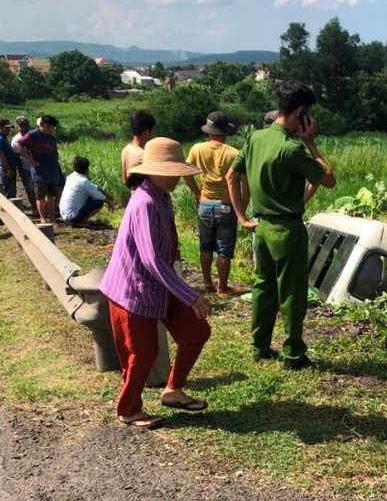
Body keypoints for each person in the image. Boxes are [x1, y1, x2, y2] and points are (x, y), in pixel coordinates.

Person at [99, 137, 212, 429]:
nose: (176, 179)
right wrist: (191, 295)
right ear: (151, 170)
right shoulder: (144, 202)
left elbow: (163, 255)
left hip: (160, 283)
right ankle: (129, 409)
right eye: (171, 172)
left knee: (196, 330)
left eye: (178, 173)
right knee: (143, 352)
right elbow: (150, 259)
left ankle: (173, 390)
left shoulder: (162, 195)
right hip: (132, 288)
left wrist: (183, 291)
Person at [227, 81, 336, 369]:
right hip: (287, 230)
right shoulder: (293, 148)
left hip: (261, 227)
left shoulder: (255, 139)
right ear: (300, 112)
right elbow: (328, 179)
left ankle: (260, 346)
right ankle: (293, 354)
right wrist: (311, 141)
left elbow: (231, 176)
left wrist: (240, 216)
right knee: (292, 292)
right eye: (308, 113)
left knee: (263, 287)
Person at [183, 111, 245, 296]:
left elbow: (187, 173)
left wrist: (197, 192)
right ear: (225, 132)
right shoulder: (234, 153)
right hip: (226, 206)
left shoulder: (197, 149)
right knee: (224, 250)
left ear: (209, 131)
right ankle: (222, 287)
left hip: (205, 203)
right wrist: (241, 208)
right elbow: (244, 183)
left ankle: (208, 283)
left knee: (205, 246)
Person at [19, 115, 60, 223]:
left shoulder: (50, 137)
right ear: (46, 126)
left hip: (51, 170)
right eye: (52, 127)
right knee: (40, 196)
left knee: (50, 195)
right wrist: (30, 160)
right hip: (40, 172)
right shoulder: (32, 135)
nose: (53, 130)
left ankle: (51, 217)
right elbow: (18, 145)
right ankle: (42, 218)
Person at [58, 156, 106, 227]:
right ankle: (81, 221)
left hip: (63, 214)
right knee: (99, 202)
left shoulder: (70, 177)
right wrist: (108, 201)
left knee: (89, 196)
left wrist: (105, 193)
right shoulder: (84, 181)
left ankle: (79, 219)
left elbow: (92, 187)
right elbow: (100, 197)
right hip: (72, 216)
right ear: (87, 169)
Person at [10, 117, 37, 211]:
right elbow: (17, 156)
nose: (24, 128)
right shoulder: (16, 140)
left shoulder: (33, 135)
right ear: (17, 127)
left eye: (25, 126)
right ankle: (35, 208)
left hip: (36, 166)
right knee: (30, 189)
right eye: (21, 126)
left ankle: (40, 207)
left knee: (38, 188)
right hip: (25, 167)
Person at [121, 110, 155, 184]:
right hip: (145, 194)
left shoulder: (126, 150)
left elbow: (125, 180)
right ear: (147, 132)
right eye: (152, 131)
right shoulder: (143, 155)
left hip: (133, 194)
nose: (153, 135)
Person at [0, 118, 16, 198]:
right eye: (6, 128)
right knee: (9, 192)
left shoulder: (3, 138)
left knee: (12, 191)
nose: (8, 130)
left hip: (9, 168)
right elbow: (1, 155)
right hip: (5, 169)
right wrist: (8, 169)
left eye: (9, 128)